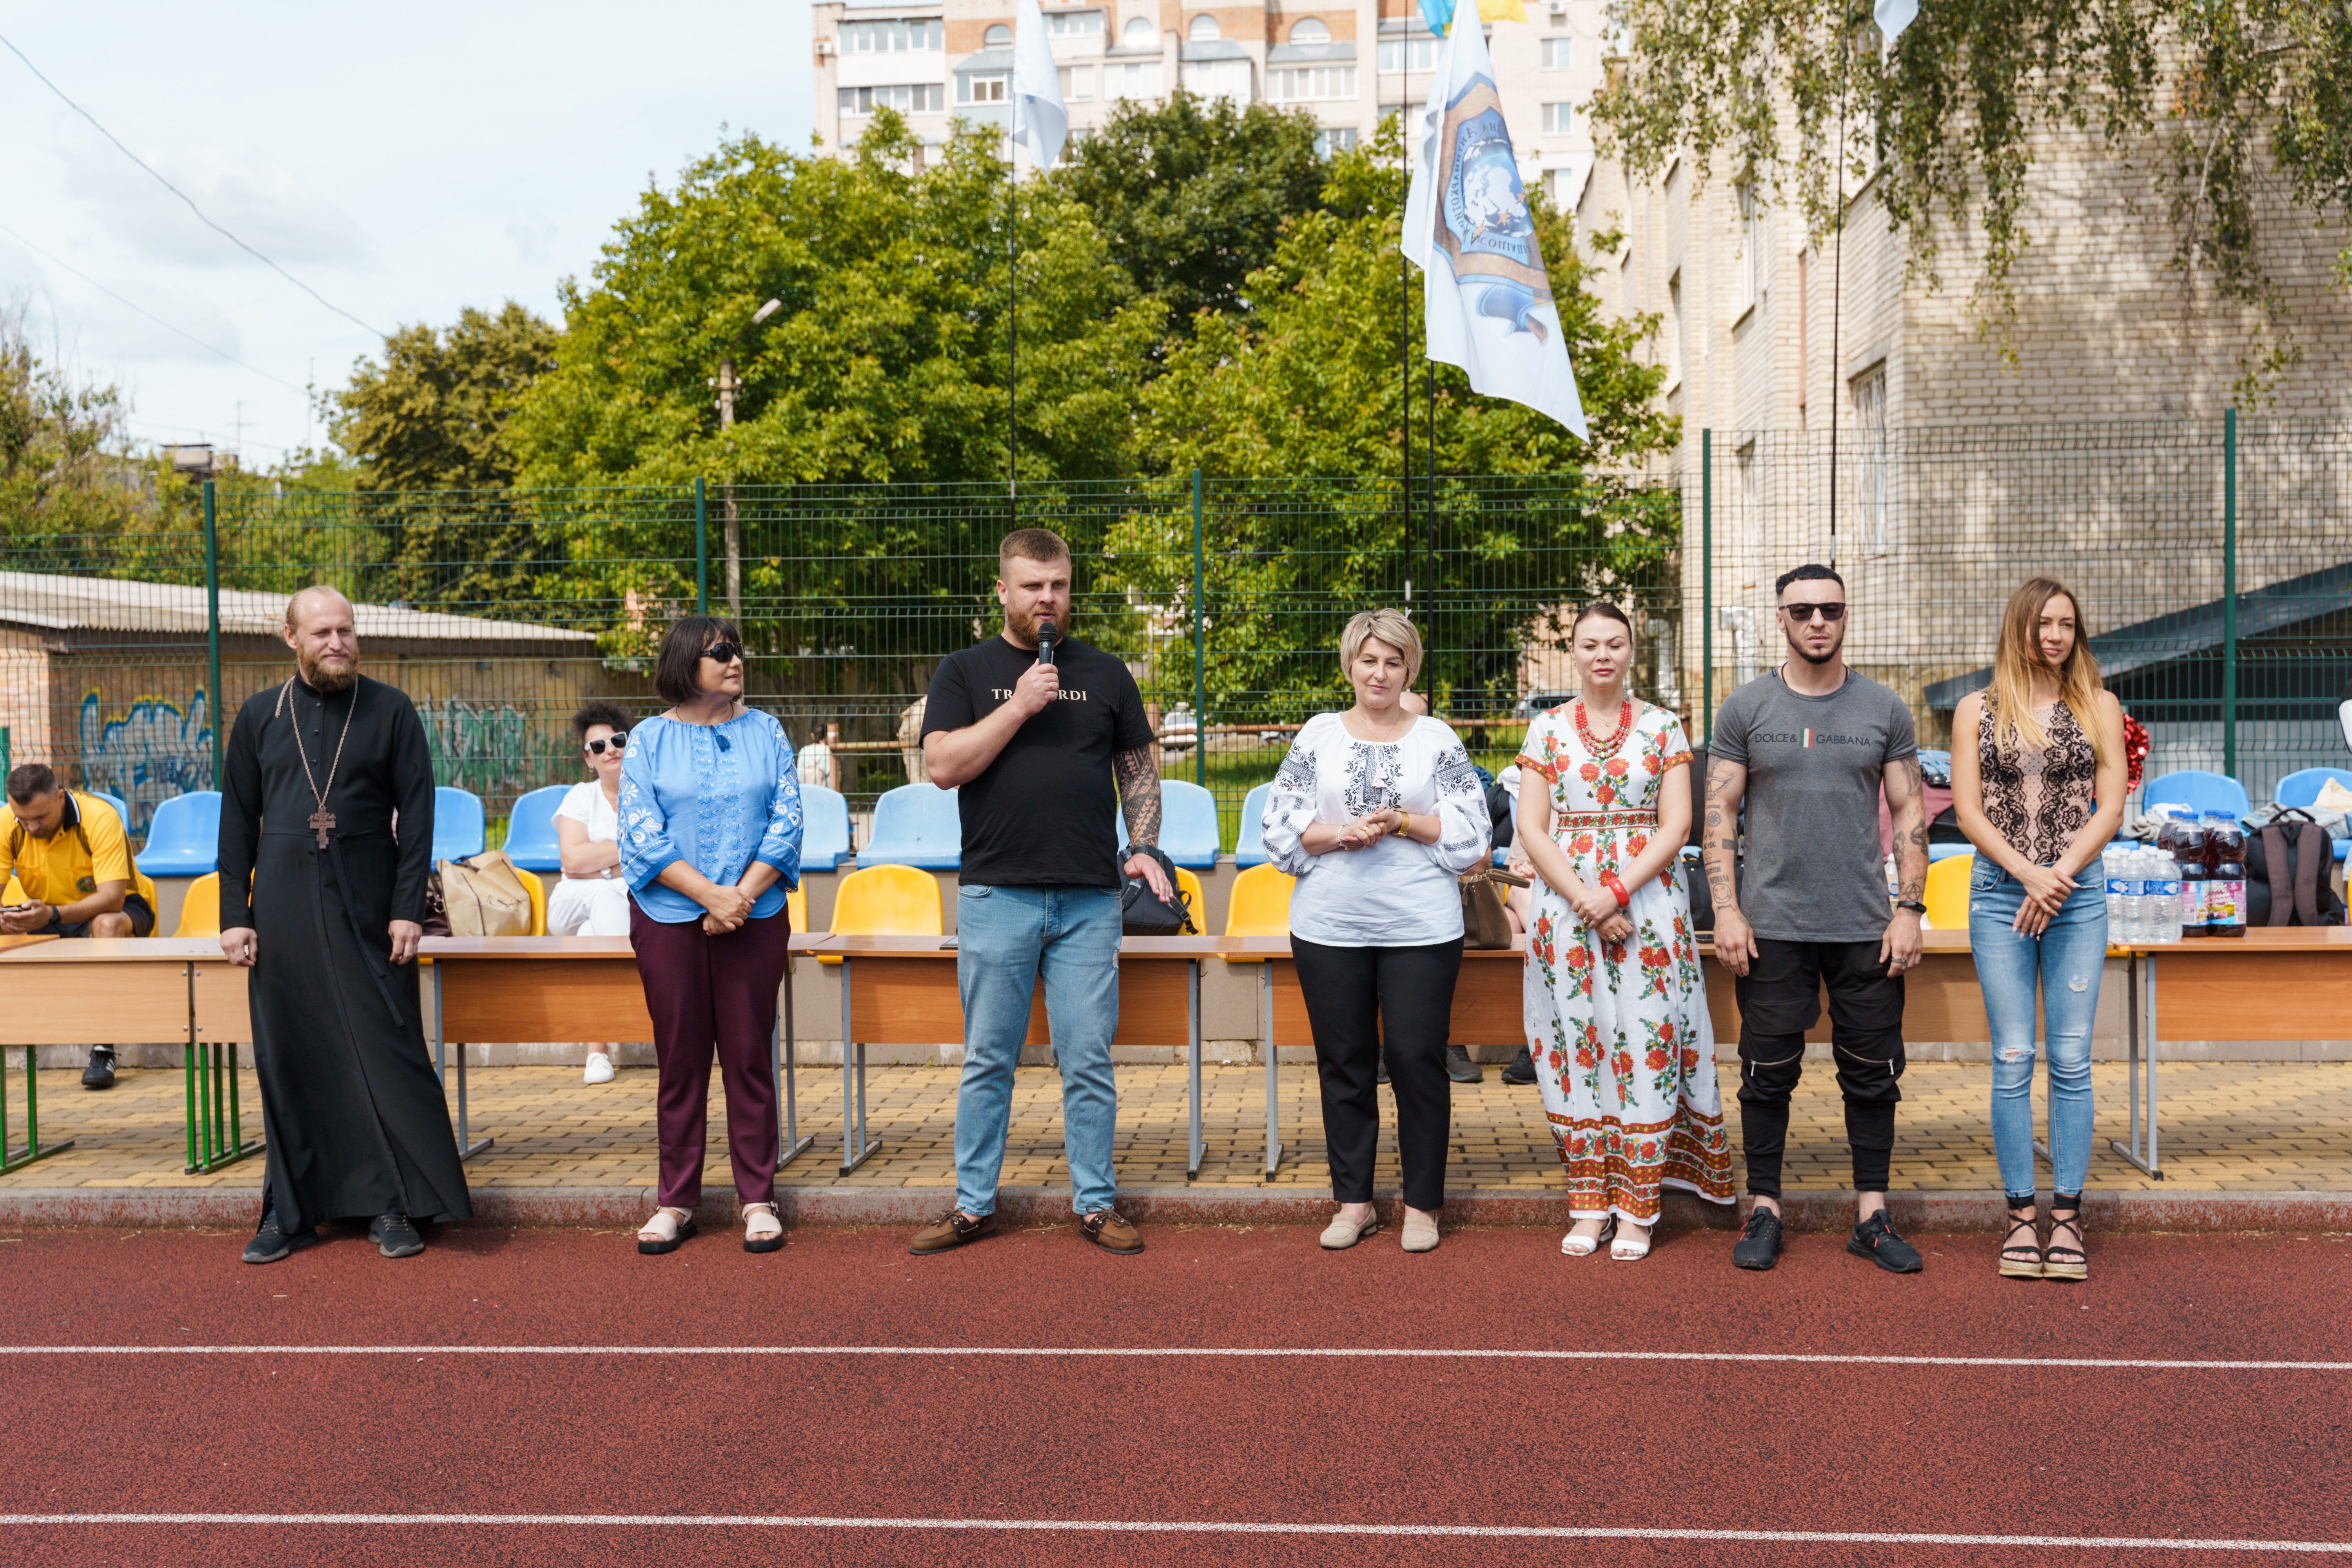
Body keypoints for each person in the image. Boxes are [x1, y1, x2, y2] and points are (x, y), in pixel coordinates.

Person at [909, 527, 1174, 1258]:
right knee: (988, 1058)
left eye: (1058, 585)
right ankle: (973, 1206)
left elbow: (1139, 772)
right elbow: (942, 766)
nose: (1047, 599)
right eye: (1032, 587)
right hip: (998, 895)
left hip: (1089, 899)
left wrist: (1145, 846)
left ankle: (1095, 1204)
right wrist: (1020, 706)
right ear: (1003, 591)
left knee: (1087, 1058)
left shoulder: (1108, 672)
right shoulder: (965, 671)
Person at [218, 586, 470, 1263]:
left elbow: (417, 817)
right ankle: (288, 1210)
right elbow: (237, 822)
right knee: (292, 1055)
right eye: (324, 632)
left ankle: (395, 1204)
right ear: (291, 638)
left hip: (370, 896)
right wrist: (234, 918)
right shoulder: (259, 716)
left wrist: (406, 908)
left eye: (347, 631)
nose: (338, 643)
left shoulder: (389, 709)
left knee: (387, 1052)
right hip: (281, 899)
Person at [1705, 563, 1930, 1274]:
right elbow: (1719, 817)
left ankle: (1871, 1216)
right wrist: (1727, 912)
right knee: (1766, 1075)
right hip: (1771, 927)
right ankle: (1765, 1208)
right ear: (1781, 618)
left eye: (1830, 609)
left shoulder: (1885, 708)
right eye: (1802, 611)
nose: (1817, 622)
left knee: (1872, 1076)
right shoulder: (1745, 708)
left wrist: (1910, 909)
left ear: (1844, 615)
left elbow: (1910, 813)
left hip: (1866, 926)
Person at [1264, 608, 1490, 1254]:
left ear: (1410, 668)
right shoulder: (1317, 737)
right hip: (1330, 926)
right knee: (1346, 1065)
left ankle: (1422, 1205)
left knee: (1417, 1061)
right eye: (1369, 660)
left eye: (1394, 661)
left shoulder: (1438, 740)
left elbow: (1472, 835)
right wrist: (1342, 834)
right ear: (1350, 666)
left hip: (1421, 926)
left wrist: (1402, 823)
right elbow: (1282, 830)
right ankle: (1354, 1202)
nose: (1380, 673)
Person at [1516, 603, 1733, 1261]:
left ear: (1631, 651)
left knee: (1645, 1043)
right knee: (1577, 1043)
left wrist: (1614, 893)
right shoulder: (1546, 730)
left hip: (1647, 908)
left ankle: (1638, 1209)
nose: (1602, 654)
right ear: (1574, 653)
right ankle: (1589, 1203)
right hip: (1566, 910)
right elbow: (1531, 827)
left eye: (1615, 643)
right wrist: (1585, 899)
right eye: (1589, 644)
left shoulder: (1665, 727)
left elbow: (1677, 826)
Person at [1951, 577, 2125, 1282]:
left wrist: (2058, 876)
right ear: (2019, 628)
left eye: (2066, 625)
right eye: (2043, 623)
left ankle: (2068, 1220)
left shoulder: (2100, 705)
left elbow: (2109, 806)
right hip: (2000, 895)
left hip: (2076, 897)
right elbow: (1966, 811)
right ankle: (2022, 1214)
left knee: (2074, 1059)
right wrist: (2028, 873)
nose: (2055, 636)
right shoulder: (1976, 709)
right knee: (2014, 1057)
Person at [618, 617, 803, 1257]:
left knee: (751, 1056)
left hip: (756, 914)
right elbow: (641, 834)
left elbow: (788, 819)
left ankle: (758, 1198)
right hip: (670, 917)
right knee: (681, 1059)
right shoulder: (646, 740)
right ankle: (677, 1201)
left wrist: (742, 897)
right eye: (719, 652)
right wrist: (709, 896)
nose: (735, 660)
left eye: (737, 650)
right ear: (683, 663)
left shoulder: (768, 731)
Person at [0, 764, 158, 1089]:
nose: (31, 827)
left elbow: (113, 898)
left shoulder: (99, 817)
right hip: (46, 913)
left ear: (60, 797)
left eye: (40, 817)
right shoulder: (7, 824)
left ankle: (104, 1048)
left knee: (106, 925)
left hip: (119, 909)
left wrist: (54, 915)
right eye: (23, 819)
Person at [549, 700, 635, 1084]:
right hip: (570, 903)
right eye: (597, 746)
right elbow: (572, 859)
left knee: (591, 935)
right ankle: (632, 1001)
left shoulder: (647, 797)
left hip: (613, 911)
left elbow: (668, 850)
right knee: (605, 895)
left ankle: (596, 1054)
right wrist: (627, 855)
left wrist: (597, 860)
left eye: (616, 740)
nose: (610, 749)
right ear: (589, 758)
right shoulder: (580, 798)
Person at [797, 718, 842, 793]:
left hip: (807, 792)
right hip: (825, 792)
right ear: (826, 736)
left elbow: (799, 776)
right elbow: (837, 777)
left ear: (813, 735)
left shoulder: (804, 751)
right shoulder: (830, 751)